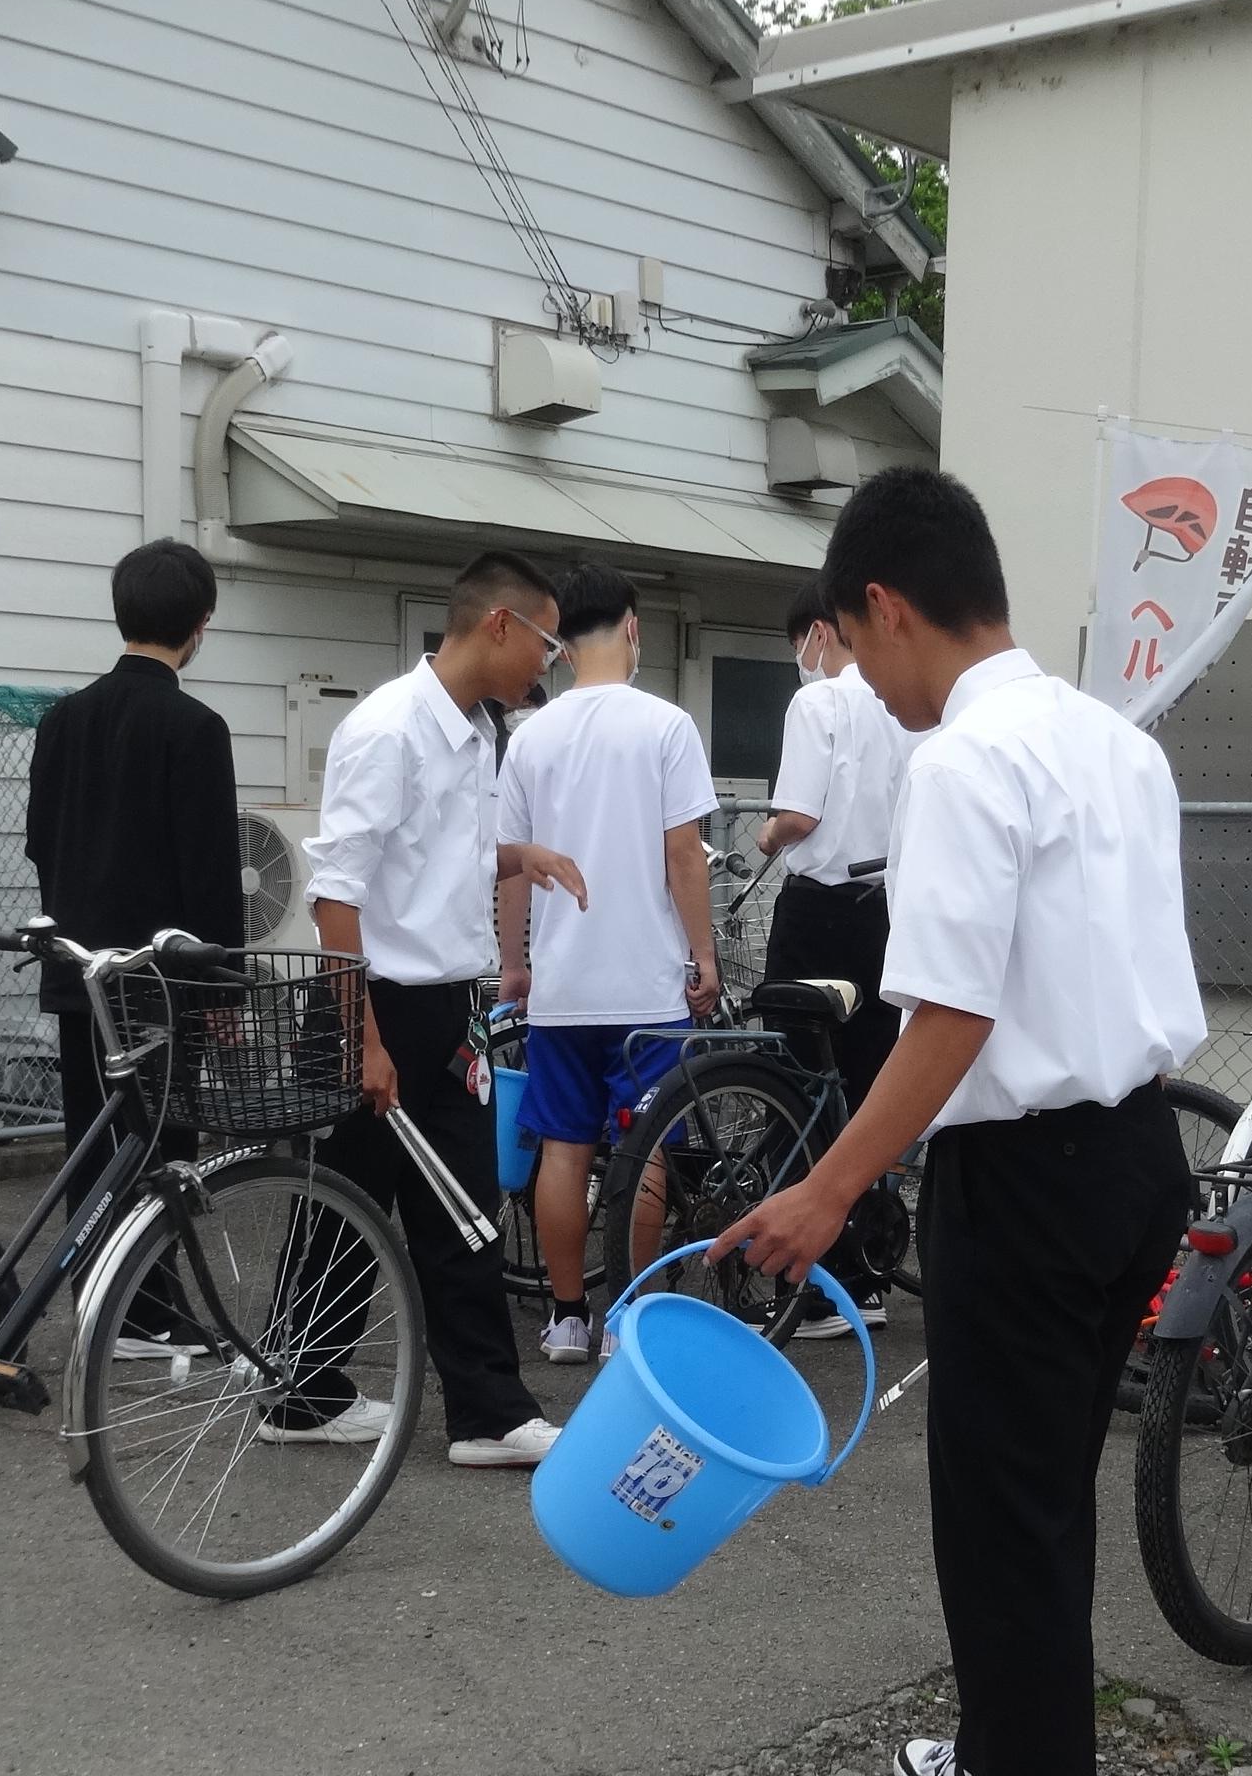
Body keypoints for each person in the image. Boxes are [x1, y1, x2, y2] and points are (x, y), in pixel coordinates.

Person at [715, 468, 1204, 1776]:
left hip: (1028, 1176)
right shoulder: (1114, 744)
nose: (861, 681)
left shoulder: (958, 766)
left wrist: (824, 1191)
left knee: (1003, 1509)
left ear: (882, 606)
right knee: (1041, 1486)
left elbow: (948, 1021)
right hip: (1135, 1158)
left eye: (854, 650)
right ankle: (1006, 1750)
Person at [284, 550, 586, 1468]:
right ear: (499, 624)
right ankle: (477, 1411)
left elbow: (432, 865)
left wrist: (518, 856)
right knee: (425, 1208)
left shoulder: (470, 727)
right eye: (546, 641)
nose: (550, 661)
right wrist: (364, 1035)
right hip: (379, 1007)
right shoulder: (391, 729)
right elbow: (336, 892)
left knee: (372, 1205)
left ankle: (316, 1391)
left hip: (438, 1005)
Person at [494, 560, 720, 1361]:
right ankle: (628, 1315)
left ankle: (563, 1318)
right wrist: (703, 955)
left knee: (564, 1147)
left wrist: (512, 964)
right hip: (645, 982)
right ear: (632, 627)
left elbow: (513, 863)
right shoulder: (665, 726)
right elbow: (684, 857)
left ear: (561, 638)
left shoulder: (529, 738)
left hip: (562, 985)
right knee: (645, 1143)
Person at [22, 538, 243, 1144]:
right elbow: (213, 870)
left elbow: (40, 842)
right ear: (201, 624)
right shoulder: (196, 727)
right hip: (160, 987)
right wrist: (225, 985)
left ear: (122, 612)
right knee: (156, 1169)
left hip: (78, 976)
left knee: (91, 1160)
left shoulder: (60, 720)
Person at [755, 574, 917, 1333]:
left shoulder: (816, 700)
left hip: (817, 914)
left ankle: (814, 1285)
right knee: (868, 1089)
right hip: (884, 912)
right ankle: (868, 1274)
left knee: (796, 1088)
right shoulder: (899, 702)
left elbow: (800, 813)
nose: (799, 657)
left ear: (820, 633)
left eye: (798, 642)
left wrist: (764, 834)